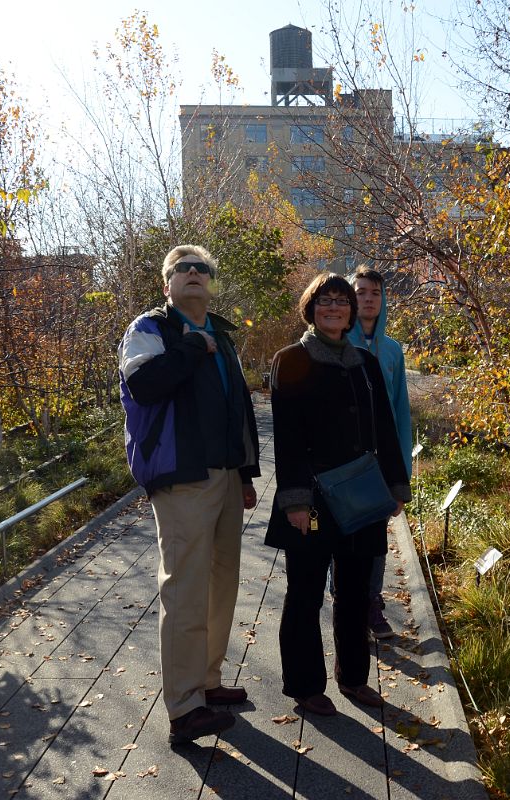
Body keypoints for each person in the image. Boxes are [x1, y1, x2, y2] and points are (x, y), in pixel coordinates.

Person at [117, 245, 260, 745]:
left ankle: (206, 682)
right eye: (183, 268)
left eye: (202, 268)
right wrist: (192, 348)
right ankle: (183, 709)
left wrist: (246, 472)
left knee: (222, 582)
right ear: (167, 284)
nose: (194, 273)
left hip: (223, 475)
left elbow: (236, 406)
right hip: (182, 476)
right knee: (184, 588)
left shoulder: (221, 335)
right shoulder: (151, 329)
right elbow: (144, 385)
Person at [266, 273, 410, 716]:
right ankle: (306, 686)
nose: (335, 308)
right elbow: (286, 438)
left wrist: (396, 485)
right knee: (305, 592)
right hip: (309, 504)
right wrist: (293, 501)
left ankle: (354, 678)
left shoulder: (365, 363)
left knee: (353, 593)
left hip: (363, 501)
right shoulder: (290, 360)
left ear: (352, 311)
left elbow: (384, 429)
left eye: (342, 301)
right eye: (325, 301)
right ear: (311, 308)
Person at [346, 266, 412, 640]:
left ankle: (371, 605)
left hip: (380, 462)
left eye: (375, 293)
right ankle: (345, 598)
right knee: (345, 534)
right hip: (345, 461)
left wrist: (400, 474)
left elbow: (400, 411)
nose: (368, 298)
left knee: (375, 539)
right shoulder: (340, 342)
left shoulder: (392, 349)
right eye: (361, 292)